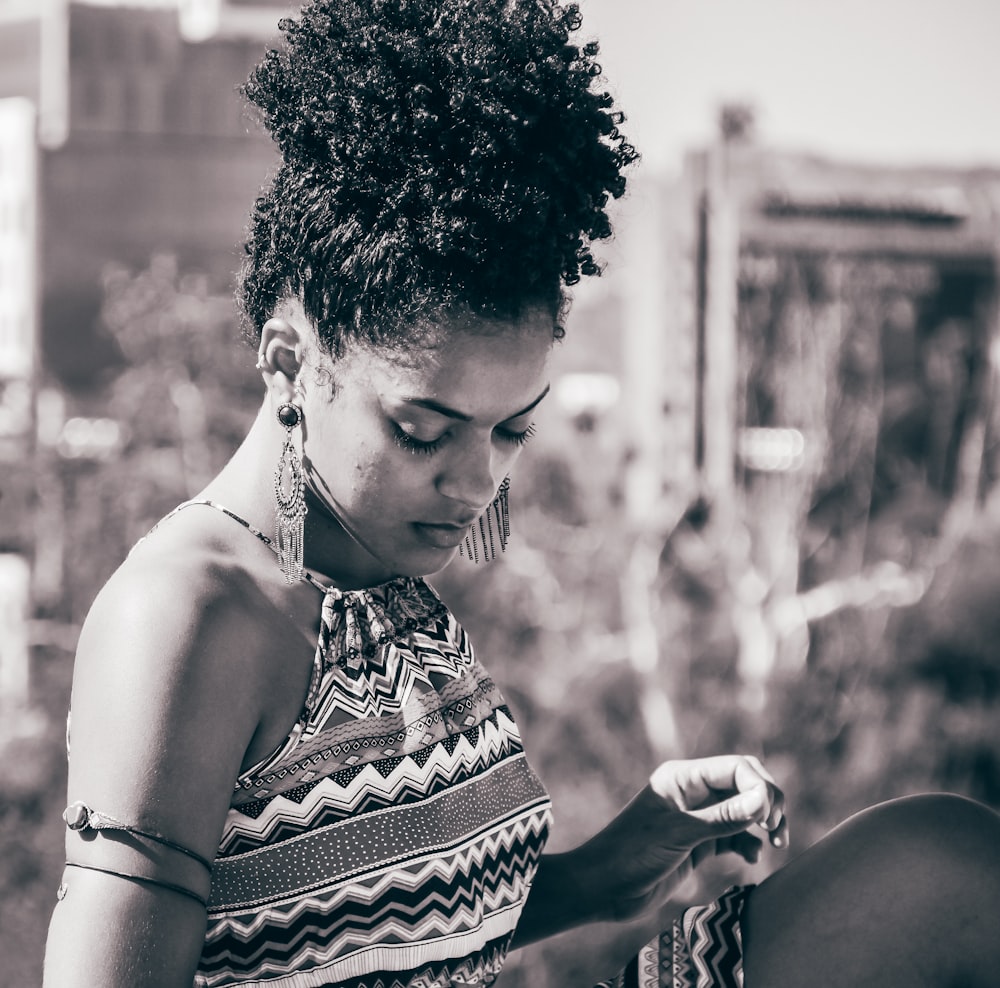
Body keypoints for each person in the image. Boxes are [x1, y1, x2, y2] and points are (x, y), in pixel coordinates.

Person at [44, 1, 1000, 986]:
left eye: (511, 429)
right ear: (289, 356)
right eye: (422, 428)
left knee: (937, 864)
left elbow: (382, 935)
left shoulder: (381, 587)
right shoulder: (187, 616)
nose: (472, 480)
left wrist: (606, 869)